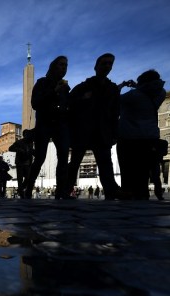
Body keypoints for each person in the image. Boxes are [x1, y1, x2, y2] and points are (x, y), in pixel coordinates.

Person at [67, 53, 122, 200]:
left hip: (103, 131)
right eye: (104, 63)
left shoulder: (113, 89)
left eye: (110, 63)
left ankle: (110, 190)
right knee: (75, 162)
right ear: (96, 66)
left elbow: (116, 113)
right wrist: (82, 100)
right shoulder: (83, 87)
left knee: (105, 163)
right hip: (83, 130)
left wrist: (114, 133)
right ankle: (65, 190)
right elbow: (69, 104)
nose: (107, 66)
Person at [24, 56, 71, 199]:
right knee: (40, 158)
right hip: (44, 125)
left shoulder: (65, 87)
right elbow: (35, 103)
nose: (64, 67)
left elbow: (68, 105)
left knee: (63, 157)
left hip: (61, 125)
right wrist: (54, 91)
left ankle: (61, 192)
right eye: (61, 65)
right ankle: (28, 189)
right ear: (53, 67)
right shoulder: (41, 83)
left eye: (66, 65)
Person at [117, 69, 167, 200]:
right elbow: (148, 90)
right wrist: (137, 86)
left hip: (129, 137)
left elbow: (114, 99)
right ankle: (143, 196)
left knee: (128, 169)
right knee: (144, 172)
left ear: (143, 82)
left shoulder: (133, 96)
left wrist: (121, 85)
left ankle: (128, 195)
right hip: (150, 137)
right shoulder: (161, 93)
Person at [9, 129, 34, 198]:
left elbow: (31, 151)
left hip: (28, 163)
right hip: (20, 163)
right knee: (20, 179)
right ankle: (21, 193)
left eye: (29, 135)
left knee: (28, 178)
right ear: (24, 135)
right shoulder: (19, 142)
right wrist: (19, 150)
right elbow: (10, 148)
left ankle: (21, 189)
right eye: (27, 134)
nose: (28, 136)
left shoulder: (30, 143)